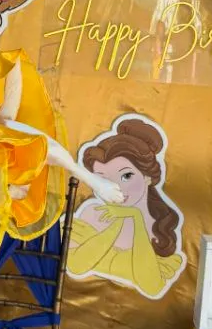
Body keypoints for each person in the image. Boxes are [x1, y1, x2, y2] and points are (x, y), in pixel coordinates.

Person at [66, 117, 185, 299]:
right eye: (102, 179)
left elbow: (151, 286)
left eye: (126, 176)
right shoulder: (93, 214)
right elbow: (76, 265)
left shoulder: (160, 231)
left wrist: (134, 216)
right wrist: (118, 221)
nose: (116, 187)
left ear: (147, 176)